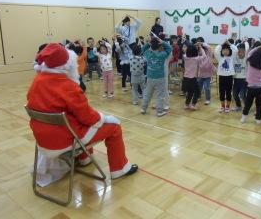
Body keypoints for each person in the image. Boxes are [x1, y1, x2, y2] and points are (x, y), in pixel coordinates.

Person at [28, 43, 138, 180]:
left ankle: (85, 158)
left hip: (43, 140)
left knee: (79, 121)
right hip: (65, 140)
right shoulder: (67, 86)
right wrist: (103, 117)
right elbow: (88, 118)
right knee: (113, 126)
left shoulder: (37, 80)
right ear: (67, 64)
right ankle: (120, 169)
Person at [141, 37, 172, 117]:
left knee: (147, 94)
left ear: (151, 45)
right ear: (159, 46)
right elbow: (169, 48)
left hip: (150, 77)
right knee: (160, 95)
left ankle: (143, 108)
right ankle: (159, 112)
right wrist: (162, 42)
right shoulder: (162, 54)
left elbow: (143, 48)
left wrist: (149, 43)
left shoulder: (148, 53)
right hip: (160, 78)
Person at [241, 44, 261, 124]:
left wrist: (259, 47)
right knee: (259, 105)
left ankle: (243, 118)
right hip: (260, 88)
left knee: (248, 104)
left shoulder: (249, 63)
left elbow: (249, 53)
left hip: (250, 87)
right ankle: (258, 119)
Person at [214, 40, 238, 113]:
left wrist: (229, 44)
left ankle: (227, 106)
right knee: (221, 92)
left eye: (227, 50)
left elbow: (235, 50)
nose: (225, 51)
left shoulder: (232, 58)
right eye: (223, 50)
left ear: (229, 51)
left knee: (228, 92)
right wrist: (221, 44)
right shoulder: (220, 58)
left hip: (229, 77)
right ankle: (222, 106)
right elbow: (216, 51)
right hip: (221, 77)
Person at [183, 42, 205, 110]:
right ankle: (193, 105)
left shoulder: (185, 57)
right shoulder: (196, 59)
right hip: (193, 79)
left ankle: (187, 104)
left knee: (190, 91)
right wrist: (200, 47)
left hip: (186, 78)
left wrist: (192, 46)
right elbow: (204, 55)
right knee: (197, 92)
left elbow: (185, 50)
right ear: (195, 51)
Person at [196, 37, 216, 105]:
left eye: (200, 42)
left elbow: (209, 47)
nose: (199, 44)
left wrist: (201, 44)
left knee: (206, 87)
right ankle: (198, 96)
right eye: (197, 42)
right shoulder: (198, 51)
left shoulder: (208, 50)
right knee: (199, 86)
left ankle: (208, 99)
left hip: (208, 73)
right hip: (200, 73)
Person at [232, 40, 249, 111]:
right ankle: (239, 106)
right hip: (236, 80)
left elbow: (247, 48)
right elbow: (233, 49)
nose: (240, 53)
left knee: (242, 95)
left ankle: (247, 107)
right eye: (238, 51)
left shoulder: (246, 58)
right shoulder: (234, 58)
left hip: (244, 80)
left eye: (242, 51)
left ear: (245, 51)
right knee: (235, 94)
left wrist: (245, 41)